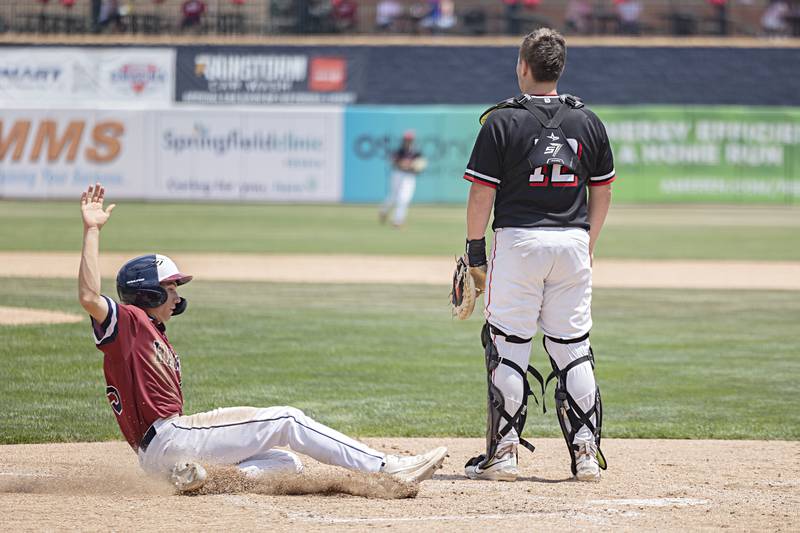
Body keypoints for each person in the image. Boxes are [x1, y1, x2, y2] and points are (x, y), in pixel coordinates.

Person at [78, 183, 447, 492]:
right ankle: (386, 467)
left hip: (161, 456)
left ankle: (203, 479)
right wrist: (92, 230)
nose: (177, 295)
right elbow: (89, 298)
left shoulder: (149, 331)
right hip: (171, 437)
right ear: (149, 293)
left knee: (285, 462)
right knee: (286, 420)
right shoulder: (129, 321)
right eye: (170, 287)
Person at [460, 28, 614, 482]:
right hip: (572, 244)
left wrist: (474, 251)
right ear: (559, 69)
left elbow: (480, 197)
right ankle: (586, 455)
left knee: (509, 348)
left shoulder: (502, 121)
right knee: (572, 348)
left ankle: (504, 454)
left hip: (519, 244)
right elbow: (602, 190)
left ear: (523, 67)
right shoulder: (587, 121)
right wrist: (589, 242)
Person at [379, 131, 427, 228]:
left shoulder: (416, 151)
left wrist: (416, 166)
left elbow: (421, 163)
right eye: (407, 140)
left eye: (410, 140)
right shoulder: (400, 150)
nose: (408, 141)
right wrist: (403, 164)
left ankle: (397, 220)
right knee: (393, 196)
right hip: (398, 175)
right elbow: (393, 162)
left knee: (404, 198)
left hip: (409, 176)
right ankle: (384, 211)